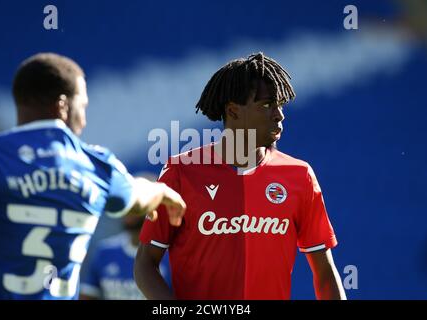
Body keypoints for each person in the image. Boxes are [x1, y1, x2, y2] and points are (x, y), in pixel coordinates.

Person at [135, 52, 346, 300]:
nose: (280, 115)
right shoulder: (181, 172)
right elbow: (145, 264)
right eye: (267, 105)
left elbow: (324, 271)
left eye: (280, 105)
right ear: (233, 111)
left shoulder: (300, 175)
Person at [0, 53, 185, 299]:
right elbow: (140, 196)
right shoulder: (96, 165)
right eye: (83, 106)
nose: (85, 120)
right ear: (63, 106)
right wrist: (164, 193)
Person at [79, 205, 171, 300]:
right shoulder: (106, 251)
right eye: (128, 205)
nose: (129, 211)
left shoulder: (170, 256)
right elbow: (88, 294)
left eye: (137, 207)